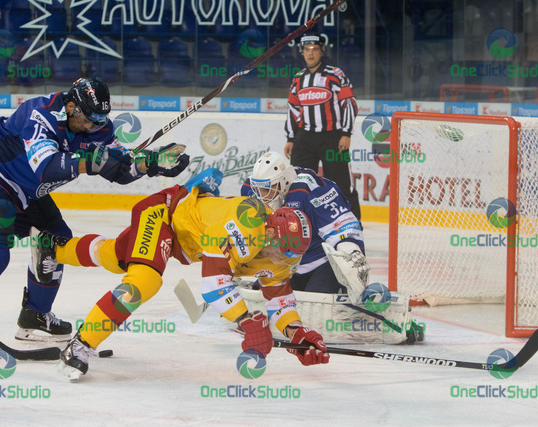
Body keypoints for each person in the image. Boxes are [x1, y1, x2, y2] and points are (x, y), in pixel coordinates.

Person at [0, 77, 190, 365]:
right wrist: (92, 161)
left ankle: (35, 316)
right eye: (88, 121)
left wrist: (151, 164)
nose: (93, 128)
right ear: (71, 106)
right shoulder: (40, 114)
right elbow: (46, 168)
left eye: (99, 122)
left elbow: (119, 169)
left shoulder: (98, 125)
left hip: (27, 189)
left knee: (55, 240)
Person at [30, 169, 330, 381]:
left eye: (288, 256)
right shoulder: (246, 222)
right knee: (143, 282)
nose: (279, 259)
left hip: (183, 239)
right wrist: (246, 320)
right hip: (165, 213)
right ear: (266, 231)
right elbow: (214, 283)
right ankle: (80, 344)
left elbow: (279, 299)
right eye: (278, 249)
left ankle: (52, 249)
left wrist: (297, 334)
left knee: (114, 255)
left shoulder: (282, 255)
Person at [243, 152, 424, 345]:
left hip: (321, 263)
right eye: (260, 189)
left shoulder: (309, 190)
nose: (262, 195)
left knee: (318, 305)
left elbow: (343, 227)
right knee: (259, 297)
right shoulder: (250, 189)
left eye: (269, 189)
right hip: (285, 264)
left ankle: (393, 321)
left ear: (285, 180)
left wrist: (351, 257)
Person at [284, 32, 361, 220]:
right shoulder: (298, 78)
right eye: (307, 50)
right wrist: (291, 138)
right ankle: (299, 223)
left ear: (322, 51)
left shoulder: (335, 75)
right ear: (302, 52)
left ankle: (353, 223)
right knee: (298, 182)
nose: (311, 54)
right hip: (305, 138)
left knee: (342, 183)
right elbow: (293, 109)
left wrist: (346, 133)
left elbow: (349, 103)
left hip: (333, 137)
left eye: (315, 49)